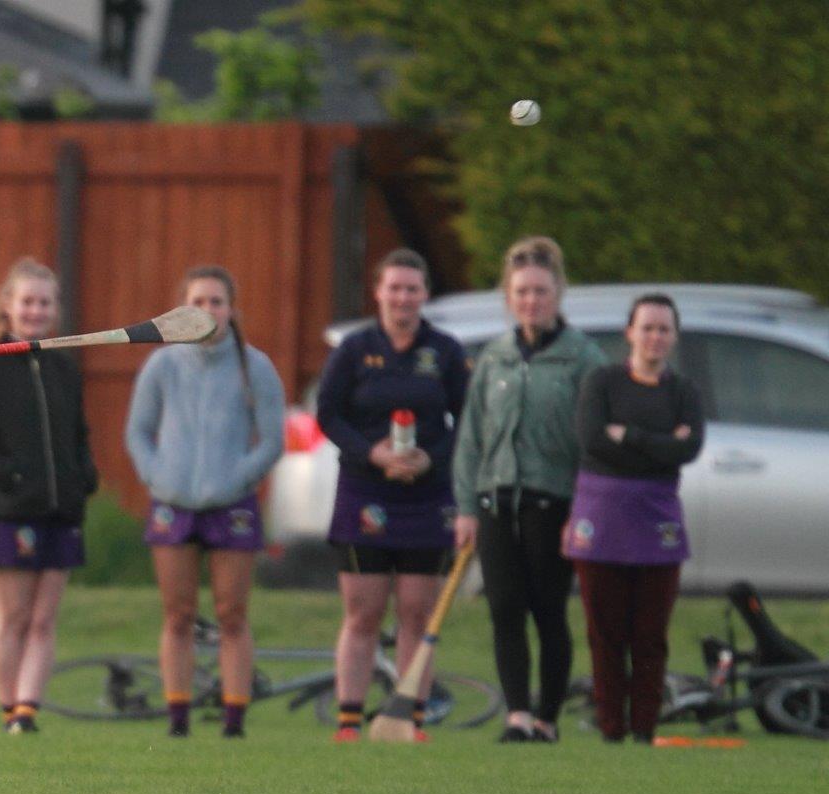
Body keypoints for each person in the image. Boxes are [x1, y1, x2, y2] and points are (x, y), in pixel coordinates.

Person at [452, 236, 606, 744]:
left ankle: (547, 717)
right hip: (498, 500)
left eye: (540, 291)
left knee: (548, 610)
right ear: (508, 296)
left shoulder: (582, 358)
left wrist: (582, 510)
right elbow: (471, 437)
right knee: (504, 608)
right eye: (521, 292)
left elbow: (593, 445)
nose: (531, 301)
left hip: (554, 502)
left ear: (558, 292)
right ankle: (516, 714)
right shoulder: (494, 357)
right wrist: (467, 507)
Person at [316, 248, 470, 743]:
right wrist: (373, 454)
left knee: (415, 611)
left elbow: (468, 421)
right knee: (363, 611)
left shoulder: (444, 351)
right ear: (379, 292)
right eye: (394, 288)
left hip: (428, 496)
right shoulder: (355, 349)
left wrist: (432, 458)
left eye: (413, 289)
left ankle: (409, 717)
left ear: (424, 295)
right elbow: (328, 416)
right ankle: (349, 719)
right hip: (366, 493)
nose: (403, 297)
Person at [124, 265, 285, 738]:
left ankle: (234, 718)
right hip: (173, 501)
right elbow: (138, 432)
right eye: (199, 301)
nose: (208, 310)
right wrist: (158, 477)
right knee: (178, 614)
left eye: (217, 301)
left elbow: (272, 439)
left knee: (233, 613)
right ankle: (178, 716)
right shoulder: (163, 364)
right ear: (183, 307)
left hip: (231, 504)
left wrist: (238, 478)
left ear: (232, 309)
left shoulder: (254, 366)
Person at [0, 258, 98, 734]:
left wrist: (83, 477)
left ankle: (30, 708)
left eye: (44, 302)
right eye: (27, 301)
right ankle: (9, 707)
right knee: (13, 616)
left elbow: (77, 435)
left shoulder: (64, 368)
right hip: (9, 512)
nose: (35, 310)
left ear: (55, 310)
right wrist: (10, 476)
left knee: (43, 619)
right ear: (8, 306)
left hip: (60, 510)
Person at [563, 294, 703, 744]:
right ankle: (611, 727)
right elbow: (592, 441)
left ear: (674, 336)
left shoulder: (683, 392)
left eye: (664, 329)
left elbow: (689, 449)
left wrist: (631, 436)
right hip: (600, 518)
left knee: (650, 633)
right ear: (629, 333)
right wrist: (661, 443)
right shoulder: (602, 382)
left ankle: (645, 727)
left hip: (657, 519)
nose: (655, 337)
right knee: (605, 633)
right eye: (647, 328)